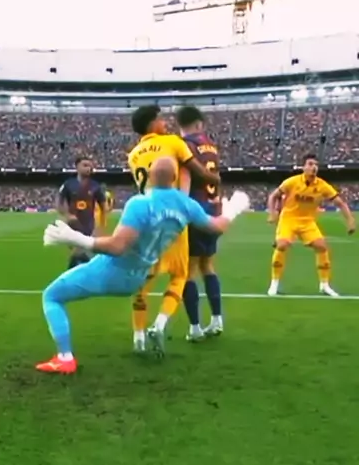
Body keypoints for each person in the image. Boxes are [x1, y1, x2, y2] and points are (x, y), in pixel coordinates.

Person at [36, 157, 249, 373]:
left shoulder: (141, 204)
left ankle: (65, 358)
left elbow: (117, 247)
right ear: (174, 177)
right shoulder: (186, 205)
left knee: (52, 296)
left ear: (149, 177)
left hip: (111, 270)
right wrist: (233, 209)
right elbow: (217, 226)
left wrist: (76, 238)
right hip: (138, 277)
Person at [127, 105, 221, 353]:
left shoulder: (133, 154)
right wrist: (215, 179)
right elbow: (198, 171)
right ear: (151, 123)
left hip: (146, 219)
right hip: (173, 218)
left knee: (144, 281)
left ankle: (138, 338)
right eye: (160, 119)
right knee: (180, 276)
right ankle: (160, 324)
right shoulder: (172, 142)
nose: (165, 123)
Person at [266, 153, 355, 297]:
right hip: (289, 219)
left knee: (322, 246)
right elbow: (273, 196)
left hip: (307, 221)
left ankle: (324, 285)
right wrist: (272, 213)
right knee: (282, 245)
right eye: (310, 164)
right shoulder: (292, 182)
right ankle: (274, 284)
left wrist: (350, 220)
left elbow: (340, 203)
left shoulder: (322, 186)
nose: (314, 167)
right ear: (303, 167)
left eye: (316, 165)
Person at [176, 105, 224, 339]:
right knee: (208, 266)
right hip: (213, 209)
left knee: (189, 270)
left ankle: (195, 327)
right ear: (199, 123)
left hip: (195, 210)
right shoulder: (211, 146)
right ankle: (217, 320)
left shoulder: (185, 145)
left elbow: (185, 179)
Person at [57, 157, 106, 269]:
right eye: (85, 165)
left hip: (88, 224)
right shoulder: (68, 184)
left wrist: (101, 227)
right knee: (77, 251)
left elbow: (103, 206)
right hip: (73, 224)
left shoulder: (95, 186)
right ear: (77, 167)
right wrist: (67, 215)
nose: (88, 168)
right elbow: (59, 202)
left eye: (90, 166)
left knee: (81, 252)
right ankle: (80, 271)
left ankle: (77, 272)